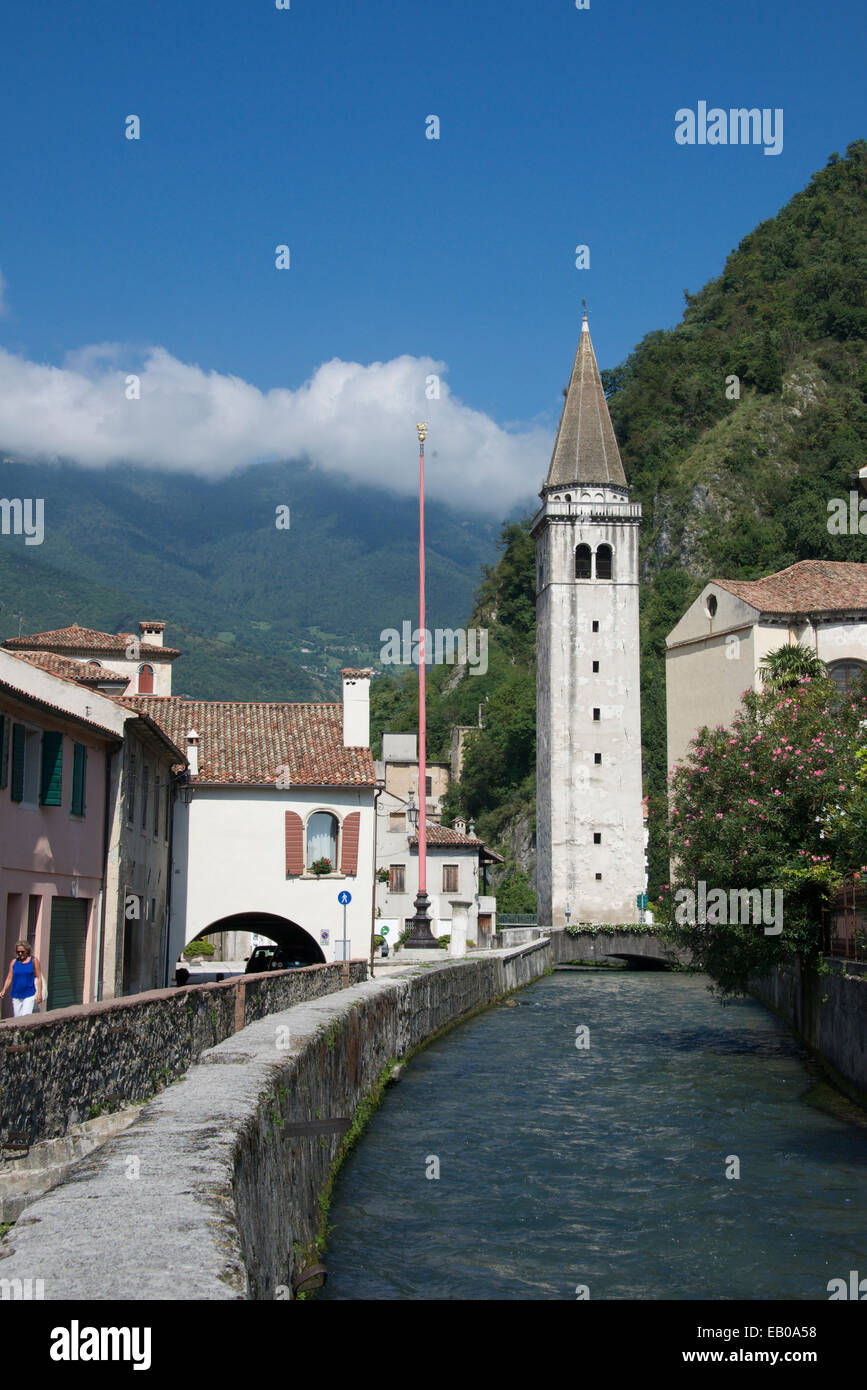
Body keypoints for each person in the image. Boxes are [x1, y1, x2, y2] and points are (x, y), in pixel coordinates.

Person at [0, 940, 43, 1016]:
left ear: (27, 951)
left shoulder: (34, 961)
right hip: (16, 995)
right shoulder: (14, 962)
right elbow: (9, 977)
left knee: (25, 1017)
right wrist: (4, 989)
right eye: (18, 952)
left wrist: (39, 993)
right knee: (17, 1018)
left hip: (29, 994)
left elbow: (39, 977)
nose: (20, 954)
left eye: (22, 952)